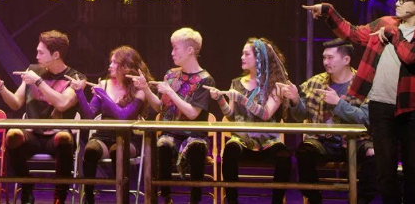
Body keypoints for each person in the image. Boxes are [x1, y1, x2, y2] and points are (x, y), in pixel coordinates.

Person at [303, 0, 415, 204]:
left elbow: (412, 56)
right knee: (385, 172)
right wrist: (328, 11)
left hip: (411, 109)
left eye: (403, 0)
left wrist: (393, 34)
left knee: (413, 171)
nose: (397, 3)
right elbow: (353, 33)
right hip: (380, 107)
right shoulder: (385, 23)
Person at [0, 30, 85, 204]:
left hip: (58, 135)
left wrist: (38, 82)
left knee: (64, 138)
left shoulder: (76, 78)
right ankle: (26, 187)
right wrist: (1, 87)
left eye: (41, 52)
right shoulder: (33, 70)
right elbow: (15, 103)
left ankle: (59, 197)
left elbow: (62, 104)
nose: (37, 56)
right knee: (13, 135)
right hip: (32, 134)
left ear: (56, 55)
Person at [279, 38, 377, 204]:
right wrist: (295, 99)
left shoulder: (363, 84)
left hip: (355, 141)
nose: (325, 62)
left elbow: (365, 118)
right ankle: (314, 198)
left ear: (346, 59)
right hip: (324, 142)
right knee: (304, 152)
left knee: (374, 155)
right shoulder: (315, 82)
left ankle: (359, 200)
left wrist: (338, 103)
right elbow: (300, 115)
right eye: (324, 58)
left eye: (330, 58)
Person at [130, 27, 215, 204]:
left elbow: (192, 113)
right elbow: (160, 107)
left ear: (190, 50)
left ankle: (195, 200)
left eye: (176, 48)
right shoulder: (171, 74)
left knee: (196, 147)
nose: (172, 52)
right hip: (170, 133)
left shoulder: (205, 80)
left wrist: (171, 92)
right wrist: (145, 88)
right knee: (163, 144)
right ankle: (165, 196)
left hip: (194, 134)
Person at [204, 37, 291, 204]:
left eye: (246, 54)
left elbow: (265, 114)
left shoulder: (275, 84)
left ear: (259, 58)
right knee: (229, 151)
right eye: (242, 54)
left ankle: (277, 201)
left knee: (283, 155)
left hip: (268, 141)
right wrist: (220, 99)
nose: (242, 57)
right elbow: (231, 115)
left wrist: (242, 99)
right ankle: (232, 201)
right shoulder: (236, 83)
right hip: (242, 139)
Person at [68, 45, 151, 204]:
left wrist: (103, 95)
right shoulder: (105, 84)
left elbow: (123, 117)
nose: (110, 65)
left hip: (127, 138)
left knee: (117, 150)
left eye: (114, 62)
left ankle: (122, 197)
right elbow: (90, 115)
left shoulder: (138, 89)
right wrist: (79, 92)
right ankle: (89, 197)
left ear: (125, 66)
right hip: (102, 136)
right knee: (91, 150)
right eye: (110, 61)